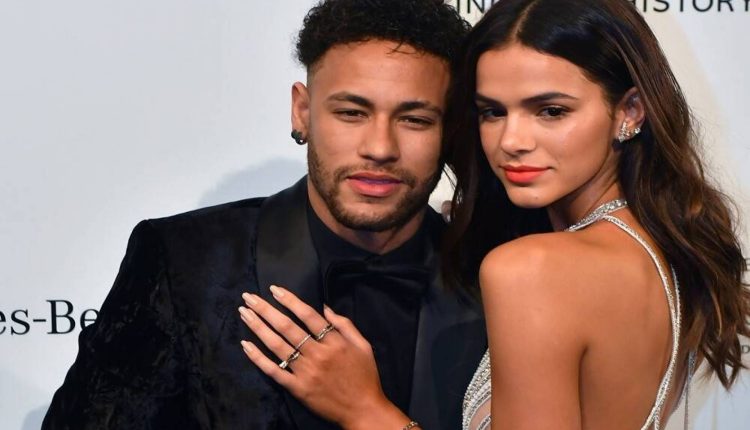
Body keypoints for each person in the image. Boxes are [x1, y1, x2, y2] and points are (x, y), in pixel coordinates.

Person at [239, 0, 750, 429]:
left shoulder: (533, 270)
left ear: (629, 111)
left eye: (551, 111)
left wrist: (366, 411)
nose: (512, 141)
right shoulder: (654, 251)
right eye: (492, 112)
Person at [41, 1, 487, 429]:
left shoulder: (491, 278)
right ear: (302, 112)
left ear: (450, 129)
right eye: (351, 113)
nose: (380, 148)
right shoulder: (185, 262)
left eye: (414, 120)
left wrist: (367, 413)